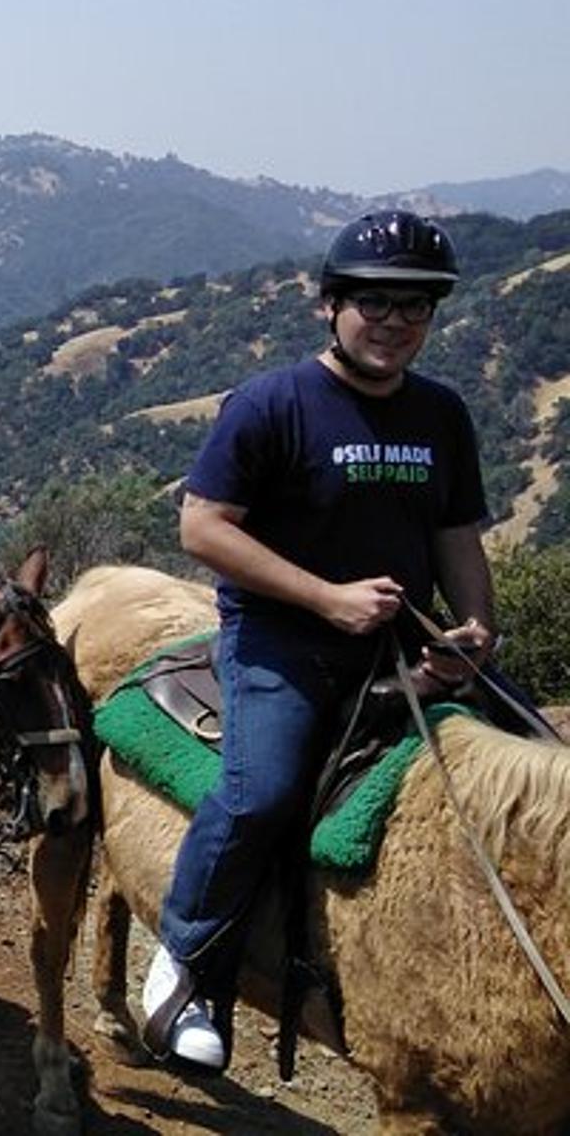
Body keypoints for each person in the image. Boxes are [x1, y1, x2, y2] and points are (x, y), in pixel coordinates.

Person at [145, 210, 495, 1068]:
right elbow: (203, 527)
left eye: (416, 307)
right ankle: (182, 964)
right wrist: (326, 598)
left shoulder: (442, 414)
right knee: (261, 790)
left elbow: (457, 537)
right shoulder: (272, 402)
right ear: (331, 306)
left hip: (402, 646)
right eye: (374, 302)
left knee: (521, 764)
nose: (396, 322)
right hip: (281, 637)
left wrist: (475, 628)